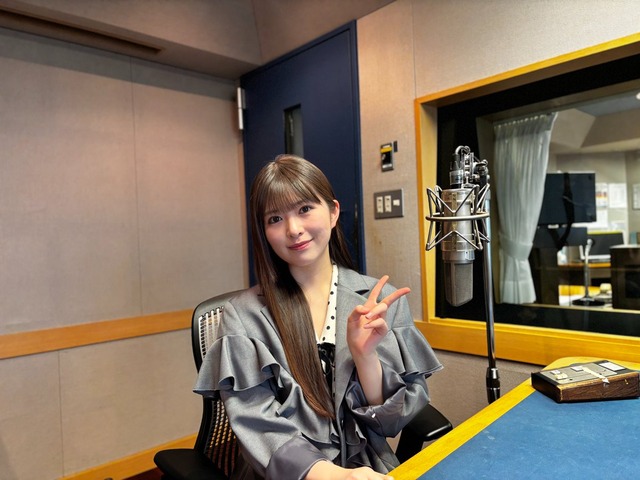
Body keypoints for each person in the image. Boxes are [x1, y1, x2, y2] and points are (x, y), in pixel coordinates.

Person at [195, 154, 442, 480]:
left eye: (304, 209)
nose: (293, 229)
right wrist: (335, 476)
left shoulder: (381, 301)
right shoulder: (243, 316)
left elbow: (391, 423)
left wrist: (365, 357)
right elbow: (258, 424)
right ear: (264, 231)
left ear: (333, 212)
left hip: (364, 465)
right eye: (275, 219)